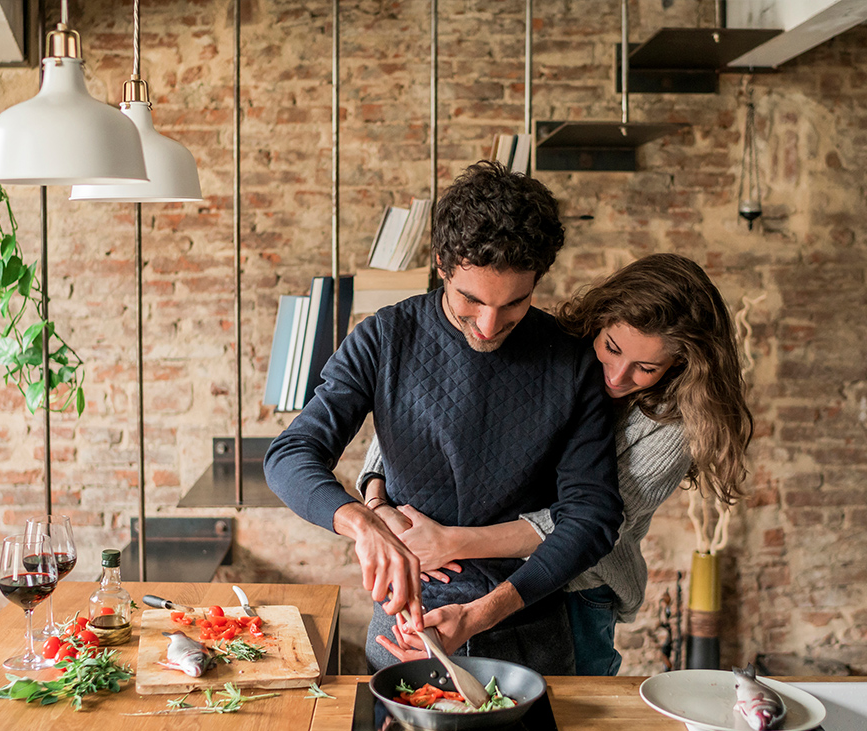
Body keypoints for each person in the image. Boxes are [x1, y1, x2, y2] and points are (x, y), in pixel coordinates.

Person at [263, 160, 623, 675]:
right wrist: (363, 522)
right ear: (441, 264)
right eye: (470, 300)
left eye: (514, 303)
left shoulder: (570, 361)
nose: (489, 325)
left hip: (530, 624)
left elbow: (592, 517)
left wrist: (481, 615)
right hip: (408, 626)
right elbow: (290, 455)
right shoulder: (385, 338)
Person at [363, 253, 753, 675]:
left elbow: (585, 525)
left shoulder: (674, 429)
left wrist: (451, 542)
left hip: (580, 589)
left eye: (645, 368)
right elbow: (418, 418)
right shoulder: (552, 352)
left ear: (679, 364)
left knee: (568, 722)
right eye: (612, 348)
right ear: (600, 322)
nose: (617, 376)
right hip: (473, 569)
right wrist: (376, 499)